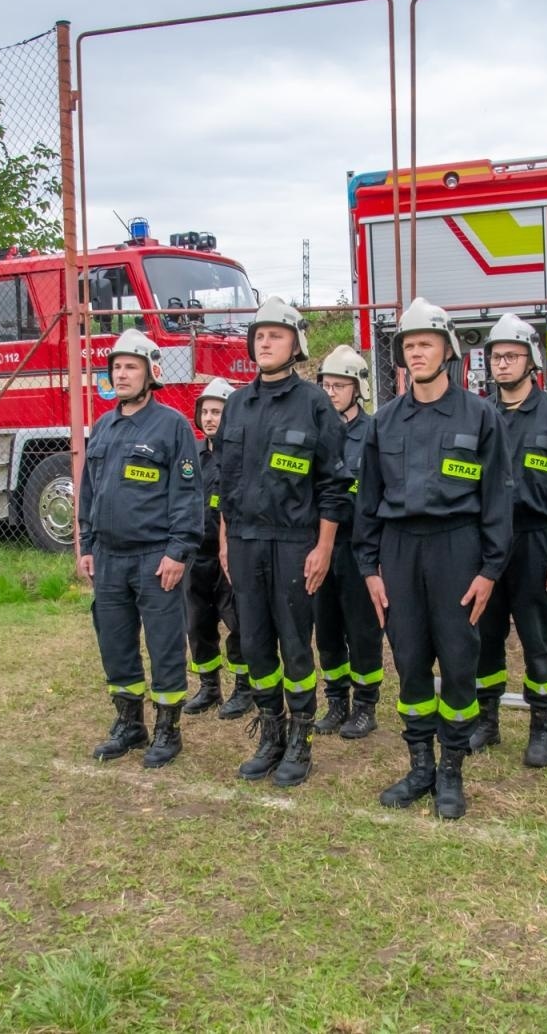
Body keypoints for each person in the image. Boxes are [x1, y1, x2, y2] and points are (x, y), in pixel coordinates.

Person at [355, 297, 513, 819]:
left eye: (425, 343)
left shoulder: (480, 416)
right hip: (400, 551)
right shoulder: (384, 422)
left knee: (459, 660)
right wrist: (370, 569)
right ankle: (420, 763)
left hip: (457, 547)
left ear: (447, 350)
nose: (416, 352)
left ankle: (451, 770)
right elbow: (368, 502)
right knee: (410, 659)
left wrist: (490, 570)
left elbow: (497, 500)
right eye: (408, 345)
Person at [217, 296, 350, 787]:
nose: (264, 341)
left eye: (275, 334)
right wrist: (226, 542)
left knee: (295, 645)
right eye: (259, 334)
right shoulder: (237, 404)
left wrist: (324, 547)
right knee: (253, 644)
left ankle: (300, 736)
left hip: (295, 541)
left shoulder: (314, 403)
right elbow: (226, 482)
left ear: (296, 344)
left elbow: (335, 484)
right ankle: (270, 731)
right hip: (246, 542)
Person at [79, 329, 203, 767]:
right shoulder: (104, 426)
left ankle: (168, 731)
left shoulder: (171, 425)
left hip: (156, 557)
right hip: (109, 558)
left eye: (131, 366)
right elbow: (89, 490)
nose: (122, 373)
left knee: (165, 644)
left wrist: (178, 551)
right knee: (115, 643)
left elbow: (187, 495)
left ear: (152, 372)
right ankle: (130, 724)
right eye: (116, 367)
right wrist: (86, 542)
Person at [472, 315, 547, 768]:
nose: (502, 364)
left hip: (536, 540)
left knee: (539, 638)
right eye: (496, 356)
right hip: (484, 543)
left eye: (511, 356)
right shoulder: (477, 415)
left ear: (531, 360)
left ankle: (541, 726)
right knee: (484, 634)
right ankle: (487, 719)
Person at [312, 344, 386, 740]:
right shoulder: (314, 432)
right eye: (326, 385)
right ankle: (337, 699)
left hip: (359, 549)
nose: (332, 392)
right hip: (322, 546)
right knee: (326, 628)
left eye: (340, 385)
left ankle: (365, 704)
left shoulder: (374, 433)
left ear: (358, 388)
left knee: (362, 629)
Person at [181, 377, 253, 719]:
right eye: (206, 411)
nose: (210, 418)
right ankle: (209, 686)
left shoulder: (239, 455)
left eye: (218, 411)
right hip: (196, 554)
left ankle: (244, 686)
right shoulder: (191, 455)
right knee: (198, 621)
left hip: (230, 552)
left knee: (237, 619)